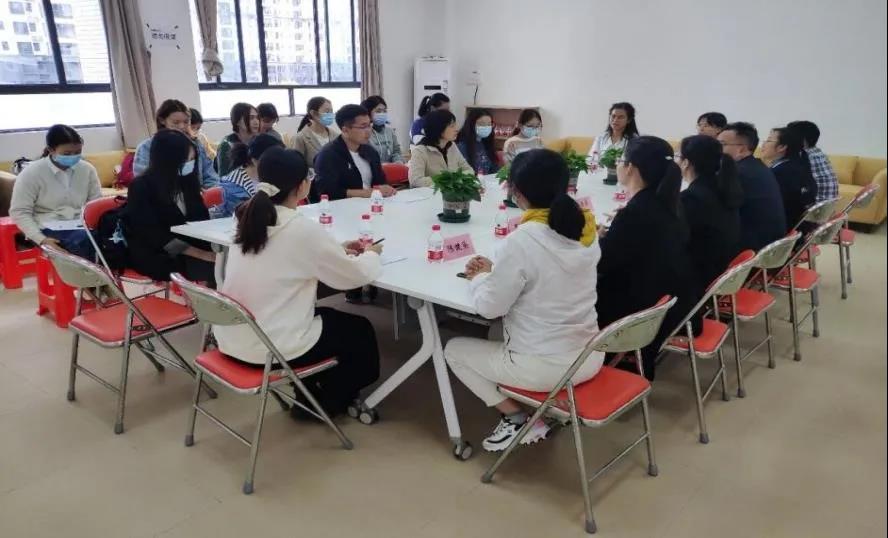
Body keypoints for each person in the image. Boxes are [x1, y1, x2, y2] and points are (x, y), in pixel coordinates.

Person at [444, 149, 602, 452]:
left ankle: (516, 417)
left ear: (516, 192)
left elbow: (489, 308)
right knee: (496, 333)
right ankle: (534, 407)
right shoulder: (586, 227)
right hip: (589, 354)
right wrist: (499, 272)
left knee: (454, 349)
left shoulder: (523, 239)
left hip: (548, 368)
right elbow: (549, 274)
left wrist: (479, 278)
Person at [214, 147, 383, 418]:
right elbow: (354, 277)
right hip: (271, 347)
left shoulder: (246, 218)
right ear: (303, 185)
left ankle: (309, 394)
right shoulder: (300, 228)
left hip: (234, 337)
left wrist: (336, 250)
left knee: (329, 318)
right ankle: (328, 402)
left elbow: (286, 254)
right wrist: (372, 254)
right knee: (359, 330)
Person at [596, 136, 701, 381]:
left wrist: (597, 241)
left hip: (637, 309)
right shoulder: (670, 203)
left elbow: (603, 262)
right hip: (671, 302)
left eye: (621, 160)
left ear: (630, 167)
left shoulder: (636, 213)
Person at [122, 129, 216, 285]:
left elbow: (200, 218)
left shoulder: (187, 181)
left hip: (188, 248)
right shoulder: (141, 187)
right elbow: (155, 236)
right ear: (169, 161)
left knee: (229, 263)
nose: (191, 164)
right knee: (217, 270)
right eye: (186, 160)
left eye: (193, 159)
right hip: (158, 253)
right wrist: (202, 254)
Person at [10, 124, 100, 260]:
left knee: (115, 238)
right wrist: (41, 240)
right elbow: (20, 211)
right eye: (67, 154)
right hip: (47, 225)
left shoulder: (87, 169)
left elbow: (95, 204)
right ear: (51, 150)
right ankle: (88, 273)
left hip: (81, 223)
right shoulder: (32, 173)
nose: (74, 157)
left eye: (78, 152)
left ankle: (107, 272)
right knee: (83, 242)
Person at [677, 135, 743, 289]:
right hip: (721, 269)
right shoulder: (721, 188)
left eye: (678, 157)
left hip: (700, 277)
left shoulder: (692, 197)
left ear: (686, 163)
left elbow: (675, 240)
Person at [718, 122, 786, 251]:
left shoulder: (738, 173)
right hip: (769, 244)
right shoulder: (757, 166)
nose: (716, 149)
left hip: (753, 249)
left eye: (721, 144)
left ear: (741, 149)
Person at [313, 104, 394, 201]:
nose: (368, 131)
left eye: (369, 125)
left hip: (374, 203)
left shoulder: (370, 151)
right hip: (342, 207)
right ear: (345, 130)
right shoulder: (328, 155)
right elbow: (327, 192)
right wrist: (366, 193)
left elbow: (381, 181)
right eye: (363, 127)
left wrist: (385, 189)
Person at [134, 99, 219, 188]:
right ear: (162, 120)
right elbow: (145, 184)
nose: (182, 126)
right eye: (176, 122)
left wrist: (208, 191)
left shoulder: (196, 145)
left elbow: (211, 176)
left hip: (196, 194)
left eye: (186, 122)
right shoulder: (146, 147)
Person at [760, 127, 817, 229]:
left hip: (784, 229)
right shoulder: (797, 165)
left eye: (768, 140)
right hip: (800, 227)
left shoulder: (780, 173)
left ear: (782, 147)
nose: (763, 144)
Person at [216, 134, 285, 217]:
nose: (278, 165)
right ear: (254, 160)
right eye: (274, 161)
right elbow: (242, 219)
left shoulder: (273, 176)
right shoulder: (233, 187)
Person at [407, 109, 473, 188]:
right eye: (452, 126)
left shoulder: (452, 146)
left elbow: (469, 170)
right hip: (429, 194)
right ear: (439, 128)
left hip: (451, 192)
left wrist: (454, 178)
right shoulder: (420, 151)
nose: (456, 129)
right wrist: (446, 179)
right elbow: (415, 181)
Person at [786, 120, 839, 203]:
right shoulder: (818, 152)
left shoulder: (803, 155)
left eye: (789, 136)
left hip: (814, 207)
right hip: (828, 206)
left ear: (803, 140)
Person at [291, 96, 339, 168]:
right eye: (327, 111)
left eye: (331, 111)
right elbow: (296, 166)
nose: (330, 115)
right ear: (313, 113)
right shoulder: (300, 138)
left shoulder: (336, 136)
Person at [215, 103, 260, 176]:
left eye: (257, 118)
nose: (256, 122)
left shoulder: (259, 141)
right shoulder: (226, 145)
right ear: (238, 121)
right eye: (251, 118)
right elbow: (225, 178)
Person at [457, 108, 500, 175]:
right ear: (471, 124)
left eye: (489, 124)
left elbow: (494, 168)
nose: (486, 127)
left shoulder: (487, 143)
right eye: (482, 124)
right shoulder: (461, 146)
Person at [361, 95, 403, 164]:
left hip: (392, 168)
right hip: (373, 169)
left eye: (384, 111)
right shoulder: (365, 133)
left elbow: (396, 151)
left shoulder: (390, 131)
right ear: (368, 113)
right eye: (378, 111)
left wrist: (398, 161)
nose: (382, 114)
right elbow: (365, 157)